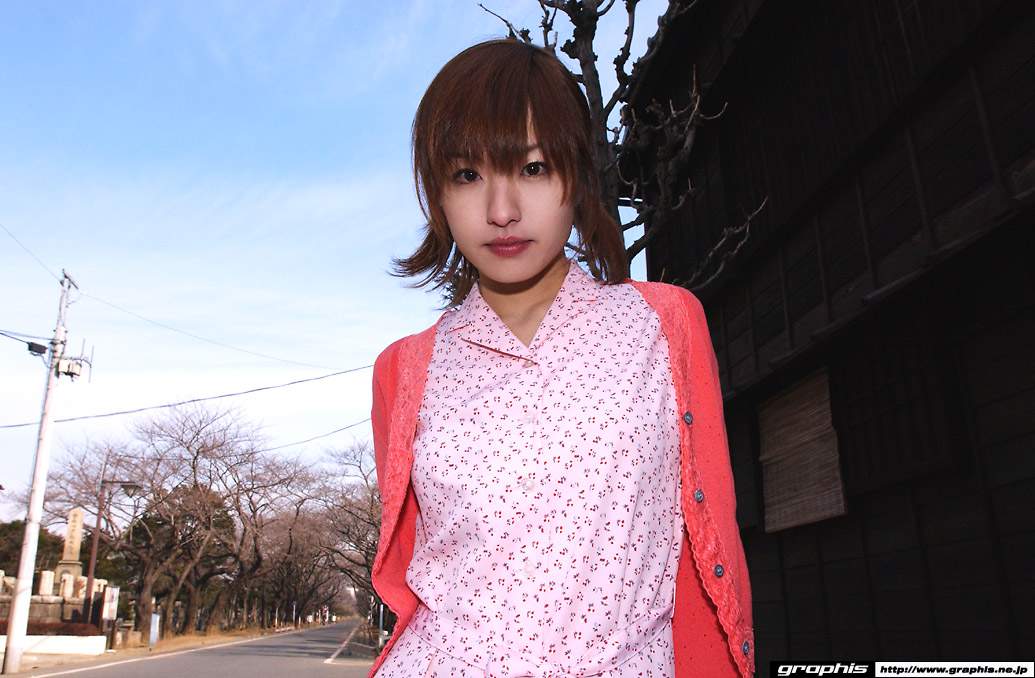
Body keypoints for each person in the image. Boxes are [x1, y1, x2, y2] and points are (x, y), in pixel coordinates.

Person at [368, 38, 754, 678]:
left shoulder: (663, 325)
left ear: (576, 175)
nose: (501, 211)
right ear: (437, 195)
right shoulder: (404, 369)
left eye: (533, 168)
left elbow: (714, 536)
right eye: (467, 175)